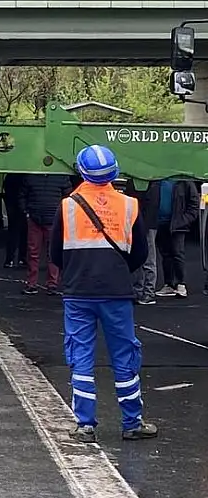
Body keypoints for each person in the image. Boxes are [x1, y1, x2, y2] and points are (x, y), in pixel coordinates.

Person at [50, 144, 156, 442]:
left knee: (80, 354)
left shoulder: (67, 206)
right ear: (115, 172)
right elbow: (140, 255)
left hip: (78, 292)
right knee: (125, 354)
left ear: (80, 171)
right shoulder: (129, 206)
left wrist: (75, 272)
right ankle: (132, 422)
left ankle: (85, 425)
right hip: (117, 293)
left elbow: (55, 253)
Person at [20, 173, 73, 294]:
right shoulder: (61, 177)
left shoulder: (31, 176)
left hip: (44, 218)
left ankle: (39, 284)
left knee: (38, 253)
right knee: (43, 253)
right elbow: (68, 196)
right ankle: (45, 284)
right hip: (41, 218)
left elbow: (22, 195)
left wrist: (26, 211)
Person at [152, 178, 199, 299]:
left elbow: (194, 205)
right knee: (165, 254)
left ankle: (180, 284)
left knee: (178, 253)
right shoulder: (157, 179)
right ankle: (169, 284)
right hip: (159, 223)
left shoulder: (184, 181)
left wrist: (183, 221)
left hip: (177, 224)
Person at [123, 181, 159, 305]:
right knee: (140, 259)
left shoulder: (152, 183)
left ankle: (148, 292)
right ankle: (140, 291)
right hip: (138, 224)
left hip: (145, 225)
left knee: (148, 260)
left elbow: (151, 206)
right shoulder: (150, 182)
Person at [2, 173, 27, 268]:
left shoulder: (10, 176)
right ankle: (22, 258)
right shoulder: (26, 176)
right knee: (24, 231)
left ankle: (9, 259)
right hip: (23, 204)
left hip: (11, 203)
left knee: (13, 231)